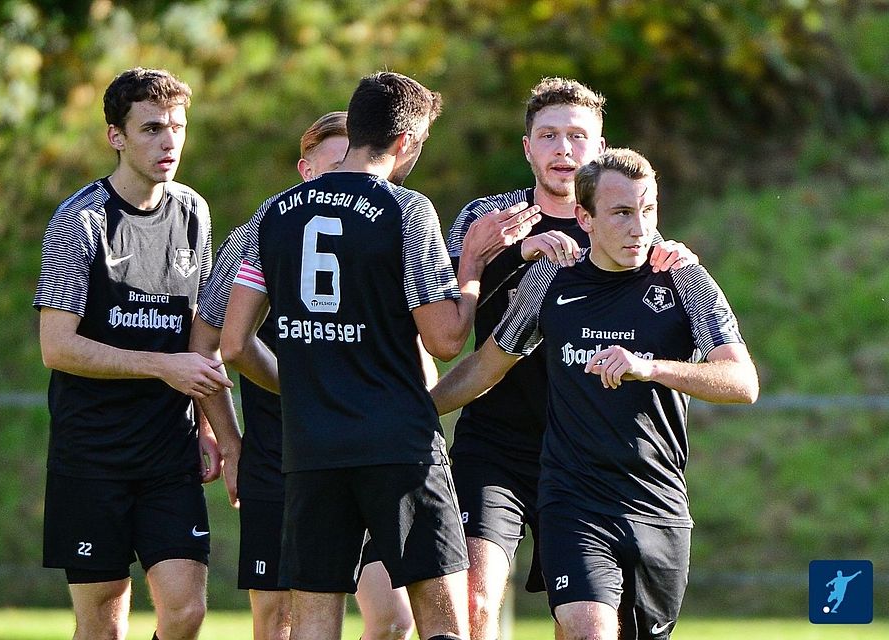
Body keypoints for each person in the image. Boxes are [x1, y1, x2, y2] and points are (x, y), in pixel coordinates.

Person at [219, 71, 540, 640]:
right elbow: (445, 339)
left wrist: (298, 390)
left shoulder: (273, 214)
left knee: (314, 622)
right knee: (442, 622)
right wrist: (470, 265)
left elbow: (235, 344)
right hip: (398, 445)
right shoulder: (407, 210)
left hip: (311, 447)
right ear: (404, 143)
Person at [432, 147, 759, 640]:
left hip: (657, 504)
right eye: (623, 213)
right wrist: (414, 410)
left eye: (647, 210)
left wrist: (649, 368)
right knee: (589, 631)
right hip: (574, 500)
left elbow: (742, 384)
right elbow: (486, 367)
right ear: (584, 217)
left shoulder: (684, 279)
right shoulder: (550, 282)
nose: (639, 227)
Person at [444, 77, 696, 640]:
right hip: (499, 444)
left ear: (600, 148)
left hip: (590, 455)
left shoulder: (627, 226)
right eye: (549, 136)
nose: (563, 150)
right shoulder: (487, 218)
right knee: (473, 601)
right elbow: (445, 323)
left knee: (581, 620)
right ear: (527, 146)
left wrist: (680, 265)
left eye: (577, 137)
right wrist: (501, 256)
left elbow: (671, 307)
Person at [190, 110, 417, 640]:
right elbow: (208, 348)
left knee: (393, 621)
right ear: (305, 168)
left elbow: (418, 341)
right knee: (278, 620)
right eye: (332, 164)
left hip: (369, 451)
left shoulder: (388, 229)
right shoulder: (258, 235)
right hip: (281, 455)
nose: (344, 177)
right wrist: (229, 439)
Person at [33, 67, 233, 640]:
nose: (168, 142)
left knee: (187, 611)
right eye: (150, 129)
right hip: (92, 450)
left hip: (168, 450)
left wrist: (212, 428)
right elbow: (57, 347)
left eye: (176, 127)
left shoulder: (194, 211)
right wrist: (161, 365)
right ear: (115, 136)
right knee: (102, 622)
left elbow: (199, 338)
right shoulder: (80, 220)